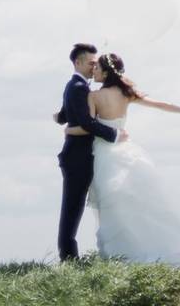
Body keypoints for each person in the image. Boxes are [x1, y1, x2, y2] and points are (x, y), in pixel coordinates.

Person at [63, 52, 180, 266]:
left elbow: (89, 128)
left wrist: (69, 130)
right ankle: (155, 248)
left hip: (105, 156)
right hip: (127, 152)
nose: (93, 70)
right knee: (145, 204)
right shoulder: (126, 93)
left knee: (113, 208)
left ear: (105, 71)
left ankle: (121, 254)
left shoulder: (93, 96)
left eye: (97, 68)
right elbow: (160, 104)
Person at [54, 43, 129, 261]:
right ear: (78, 62)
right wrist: (115, 134)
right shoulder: (78, 87)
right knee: (72, 208)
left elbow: (66, 113)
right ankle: (68, 258)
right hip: (77, 157)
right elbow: (86, 123)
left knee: (76, 206)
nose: (93, 67)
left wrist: (59, 119)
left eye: (96, 64)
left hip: (84, 155)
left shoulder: (76, 86)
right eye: (90, 63)